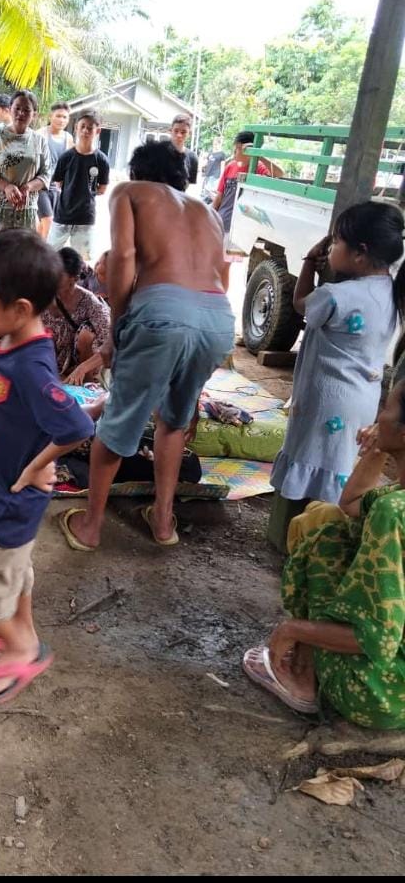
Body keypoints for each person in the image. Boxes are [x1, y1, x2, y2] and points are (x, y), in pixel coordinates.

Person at [0, 230, 94, 708]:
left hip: (9, 497)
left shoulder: (31, 367)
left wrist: (36, 466)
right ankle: (16, 636)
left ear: (21, 309)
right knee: (14, 574)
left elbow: (76, 425)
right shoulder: (14, 343)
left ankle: (21, 650)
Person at [57, 140, 234, 552]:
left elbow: (123, 258)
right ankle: (163, 522)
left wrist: (118, 329)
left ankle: (90, 527)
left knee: (118, 423)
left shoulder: (129, 192)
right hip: (217, 319)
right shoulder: (208, 213)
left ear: (137, 173)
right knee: (174, 421)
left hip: (161, 312)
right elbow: (222, 274)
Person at [244, 379, 405, 728]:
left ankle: (304, 675)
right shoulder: (396, 499)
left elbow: (378, 639)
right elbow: (350, 504)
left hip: (383, 695)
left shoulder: (393, 512)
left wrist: (292, 630)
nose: (379, 416)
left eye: (388, 408)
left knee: (323, 535)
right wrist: (377, 450)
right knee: (327, 515)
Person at [269, 203, 404, 527]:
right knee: (336, 465)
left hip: (326, 398)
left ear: (360, 253)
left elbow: (300, 305)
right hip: (362, 399)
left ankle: (301, 531)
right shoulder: (393, 291)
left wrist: (308, 264)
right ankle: (326, 527)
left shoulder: (335, 296)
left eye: (337, 242)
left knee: (309, 459)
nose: (331, 248)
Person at [211, 131, 284, 291]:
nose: (235, 152)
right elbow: (219, 196)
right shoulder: (230, 167)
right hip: (221, 222)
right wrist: (210, 215)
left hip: (238, 228)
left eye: (239, 148)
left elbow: (279, 174)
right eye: (235, 147)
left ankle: (218, 296)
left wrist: (258, 155)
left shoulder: (258, 168)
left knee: (223, 266)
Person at [0, 90, 50, 231]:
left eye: (26, 110)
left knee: (23, 245)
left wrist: (28, 187)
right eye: (17, 108)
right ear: (10, 108)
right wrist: (6, 187)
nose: (21, 113)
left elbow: (46, 174)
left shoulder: (39, 141)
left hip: (26, 211)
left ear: (34, 115)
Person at [42, 247, 111, 384]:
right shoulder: (43, 295)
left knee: (87, 333)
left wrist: (83, 368)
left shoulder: (90, 303)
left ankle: (86, 383)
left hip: (78, 360)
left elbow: (109, 345)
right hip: (51, 355)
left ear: (74, 279)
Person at [49, 109, 110, 260]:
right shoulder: (66, 157)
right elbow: (58, 182)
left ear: (98, 131)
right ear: (76, 127)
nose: (85, 131)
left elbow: (102, 188)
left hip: (85, 218)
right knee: (50, 256)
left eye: (90, 128)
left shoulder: (101, 160)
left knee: (82, 260)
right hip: (62, 215)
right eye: (82, 126)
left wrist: (88, 191)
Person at [36, 101, 74, 239]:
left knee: (43, 225)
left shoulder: (68, 138)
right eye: (58, 116)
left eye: (65, 117)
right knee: (48, 221)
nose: (61, 120)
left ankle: (35, 247)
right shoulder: (40, 134)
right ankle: (45, 251)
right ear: (50, 116)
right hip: (40, 186)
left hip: (57, 187)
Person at [169, 114, 199, 186]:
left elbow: (190, 183)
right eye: (176, 131)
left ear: (189, 134)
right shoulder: (158, 153)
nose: (179, 135)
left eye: (183, 132)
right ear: (170, 131)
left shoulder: (192, 157)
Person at [201, 136, 226, 201]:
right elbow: (206, 163)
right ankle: (207, 202)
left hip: (215, 176)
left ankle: (213, 202)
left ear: (219, 144)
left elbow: (222, 166)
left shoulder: (222, 154)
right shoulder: (211, 153)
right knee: (206, 191)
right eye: (214, 144)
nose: (214, 145)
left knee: (210, 191)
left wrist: (221, 177)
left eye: (216, 144)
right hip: (208, 174)